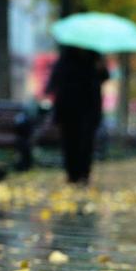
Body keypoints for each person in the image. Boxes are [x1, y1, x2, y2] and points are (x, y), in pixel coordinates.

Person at [46, 47, 109, 184]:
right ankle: (72, 173)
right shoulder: (66, 57)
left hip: (89, 106)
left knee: (86, 141)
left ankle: (84, 173)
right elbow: (56, 80)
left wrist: (101, 68)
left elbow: (104, 77)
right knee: (69, 141)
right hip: (68, 106)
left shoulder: (95, 56)